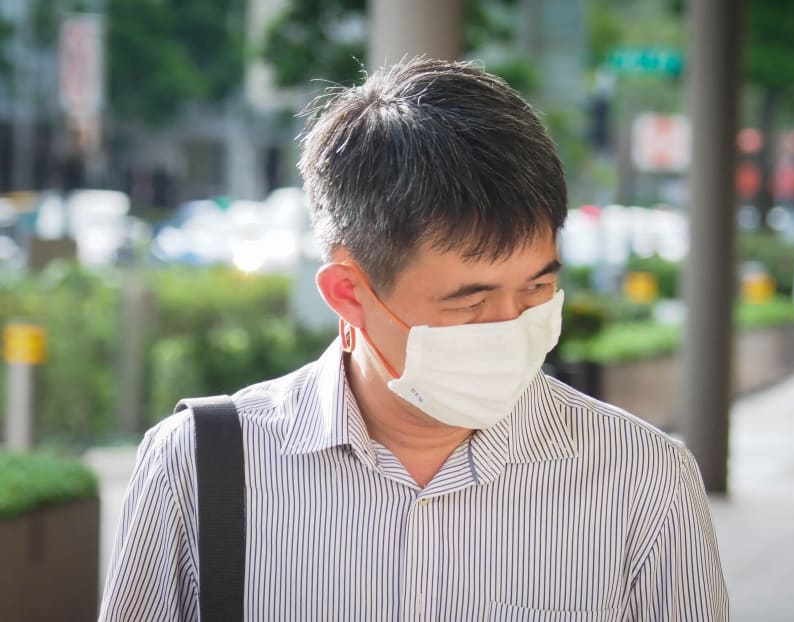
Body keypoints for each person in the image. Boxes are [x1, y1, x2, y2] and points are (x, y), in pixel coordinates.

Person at [99, 58, 728, 621]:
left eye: (536, 290)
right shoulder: (200, 466)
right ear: (349, 293)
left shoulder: (642, 477)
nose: (511, 327)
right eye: (472, 299)